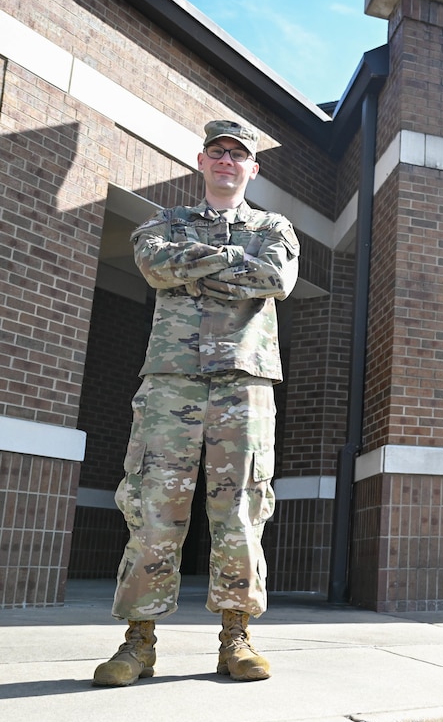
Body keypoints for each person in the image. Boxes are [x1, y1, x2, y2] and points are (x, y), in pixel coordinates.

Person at [93, 120, 299, 687]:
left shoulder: (274, 226)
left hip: (244, 380)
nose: (228, 161)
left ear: (253, 168)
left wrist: (192, 268)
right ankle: (138, 643)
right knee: (153, 506)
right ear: (202, 161)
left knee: (240, 511)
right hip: (171, 380)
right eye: (219, 152)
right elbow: (154, 263)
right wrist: (232, 265)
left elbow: (276, 277)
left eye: (239, 155)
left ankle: (236, 637)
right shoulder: (165, 222)